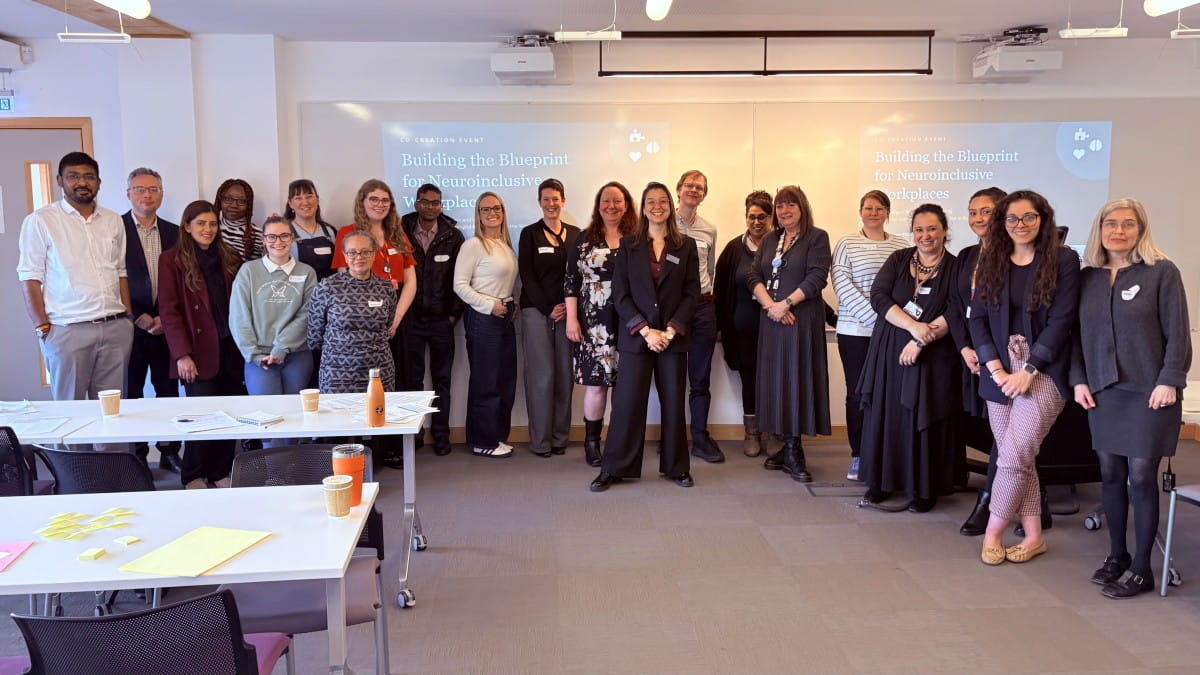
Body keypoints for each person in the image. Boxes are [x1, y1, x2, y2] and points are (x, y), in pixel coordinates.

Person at [1071, 198, 1191, 598]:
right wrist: (1078, 379)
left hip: (1149, 392)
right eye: (1111, 223)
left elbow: (1178, 332)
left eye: (1128, 224)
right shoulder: (1087, 278)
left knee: (1140, 478)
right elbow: (1075, 337)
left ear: (1140, 230)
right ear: (1099, 229)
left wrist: (1169, 379)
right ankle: (1117, 556)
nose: (1118, 231)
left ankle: (1143, 568)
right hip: (1102, 391)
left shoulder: (1162, 273)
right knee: (1110, 475)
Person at [970, 189, 1080, 566]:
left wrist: (1029, 370)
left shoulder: (1064, 260)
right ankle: (1034, 536)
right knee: (1022, 459)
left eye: (1028, 217)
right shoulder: (992, 259)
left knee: (1013, 457)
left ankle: (992, 533)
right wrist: (996, 367)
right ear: (1002, 223)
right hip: (999, 374)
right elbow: (978, 319)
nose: (1020, 225)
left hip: (1043, 372)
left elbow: (1062, 321)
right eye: (1012, 218)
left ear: (1042, 219)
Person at [591, 182, 700, 492]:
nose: (657, 206)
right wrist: (644, 330)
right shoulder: (628, 245)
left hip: (672, 338)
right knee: (626, 404)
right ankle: (613, 468)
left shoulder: (685, 246)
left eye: (663, 200)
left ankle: (678, 467)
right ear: (643, 206)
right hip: (638, 338)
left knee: (674, 405)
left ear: (671, 204)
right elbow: (621, 295)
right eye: (651, 201)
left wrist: (669, 330)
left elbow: (693, 294)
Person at [857, 204, 962, 513]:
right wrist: (913, 327)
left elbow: (956, 311)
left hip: (933, 354)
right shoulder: (899, 259)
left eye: (932, 229)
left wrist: (921, 338)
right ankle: (882, 482)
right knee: (887, 415)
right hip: (890, 349)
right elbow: (880, 296)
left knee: (923, 416)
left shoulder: (956, 267)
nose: (925, 235)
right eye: (919, 229)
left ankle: (923, 488)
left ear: (944, 230)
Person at [18, 151, 135, 403]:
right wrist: (42, 327)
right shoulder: (41, 221)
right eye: (73, 176)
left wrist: (128, 317)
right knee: (70, 411)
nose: (82, 182)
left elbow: (120, 271)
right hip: (67, 330)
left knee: (113, 411)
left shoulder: (113, 220)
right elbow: (29, 278)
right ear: (60, 180)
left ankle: (112, 446)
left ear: (99, 182)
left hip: (115, 328)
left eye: (89, 176)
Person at [748, 185, 832, 483]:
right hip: (772, 323)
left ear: (802, 207)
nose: (784, 211)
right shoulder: (771, 239)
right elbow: (753, 275)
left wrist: (785, 304)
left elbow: (817, 278)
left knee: (797, 381)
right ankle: (784, 447)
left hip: (800, 321)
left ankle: (795, 449)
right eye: (780, 206)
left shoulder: (816, 237)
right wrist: (771, 306)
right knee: (777, 384)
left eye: (790, 205)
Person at [158, 200, 244, 489]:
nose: (208, 229)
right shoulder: (171, 260)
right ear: (187, 226)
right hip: (196, 351)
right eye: (201, 223)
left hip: (230, 348)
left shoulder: (229, 256)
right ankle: (193, 474)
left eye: (212, 223)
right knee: (202, 417)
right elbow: (169, 311)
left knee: (229, 413)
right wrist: (182, 355)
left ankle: (219, 472)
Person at [831, 190, 908, 480]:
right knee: (858, 394)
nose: (873, 213)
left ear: (887, 212)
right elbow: (843, 285)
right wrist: (880, 321)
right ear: (860, 211)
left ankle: (887, 455)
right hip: (856, 332)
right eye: (868, 208)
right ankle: (859, 455)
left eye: (879, 208)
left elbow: (907, 288)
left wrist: (892, 324)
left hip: (894, 333)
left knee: (890, 394)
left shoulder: (902, 245)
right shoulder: (847, 243)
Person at [949, 187, 1009, 536]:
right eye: (972, 212)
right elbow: (956, 307)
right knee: (990, 430)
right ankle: (1035, 497)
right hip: (970, 354)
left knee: (1005, 434)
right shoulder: (967, 255)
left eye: (985, 211)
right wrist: (965, 348)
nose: (978, 219)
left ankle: (988, 502)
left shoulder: (1013, 256)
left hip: (1000, 359)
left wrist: (988, 356)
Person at [565, 181, 637, 467]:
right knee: (597, 385)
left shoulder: (637, 238)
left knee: (626, 385)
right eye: (606, 200)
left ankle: (619, 441)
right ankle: (592, 443)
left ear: (627, 205)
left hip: (630, 320)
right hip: (593, 323)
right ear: (598, 205)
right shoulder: (583, 239)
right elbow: (571, 282)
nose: (611, 206)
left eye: (618, 201)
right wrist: (572, 319)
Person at [121, 167, 183, 472]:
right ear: (128, 193)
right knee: (131, 393)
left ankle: (170, 450)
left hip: (166, 325)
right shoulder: (114, 229)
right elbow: (110, 279)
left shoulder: (174, 232)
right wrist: (136, 316)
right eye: (140, 189)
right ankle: (137, 454)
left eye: (154, 189)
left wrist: (163, 318)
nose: (147, 195)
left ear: (161, 193)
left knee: (168, 391)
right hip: (129, 326)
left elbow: (183, 279)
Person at [331, 179, 418, 391]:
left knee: (403, 374)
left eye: (385, 200)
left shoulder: (398, 235)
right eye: (374, 199)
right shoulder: (347, 233)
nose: (380, 204)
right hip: (364, 311)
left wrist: (396, 318)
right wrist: (376, 315)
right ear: (362, 202)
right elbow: (346, 279)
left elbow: (411, 281)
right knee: (369, 377)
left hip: (398, 309)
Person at [518, 178, 581, 458]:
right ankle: (541, 442)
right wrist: (549, 308)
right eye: (546, 199)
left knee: (565, 376)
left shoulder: (578, 234)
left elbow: (581, 275)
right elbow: (527, 276)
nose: (551, 204)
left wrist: (567, 307)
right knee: (541, 377)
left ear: (563, 201)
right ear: (539, 202)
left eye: (556, 198)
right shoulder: (529, 234)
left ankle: (559, 438)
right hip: (536, 313)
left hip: (569, 314)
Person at [453, 192, 519, 458]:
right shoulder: (473, 245)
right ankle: (483, 441)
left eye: (497, 208)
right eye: (485, 209)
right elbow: (459, 286)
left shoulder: (504, 244)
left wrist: (509, 304)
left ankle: (496, 436)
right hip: (483, 318)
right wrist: (489, 305)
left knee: (505, 380)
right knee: (486, 381)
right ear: (478, 214)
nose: (492, 213)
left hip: (503, 316)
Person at [401, 183, 465, 457]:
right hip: (411, 320)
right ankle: (414, 435)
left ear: (441, 206)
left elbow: (459, 279)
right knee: (412, 381)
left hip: (442, 320)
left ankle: (441, 435)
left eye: (435, 202)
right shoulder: (400, 232)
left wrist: (453, 315)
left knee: (442, 381)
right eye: (425, 202)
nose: (430, 206)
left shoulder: (453, 236)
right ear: (416, 203)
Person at [229, 216, 318, 399]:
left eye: (284, 236)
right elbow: (239, 317)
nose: (278, 242)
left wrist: (281, 348)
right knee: (267, 414)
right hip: (259, 357)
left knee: (296, 413)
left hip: (297, 355)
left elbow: (307, 315)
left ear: (292, 238)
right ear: (263, 240)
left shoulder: (307, 273)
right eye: (271, 236)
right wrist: (252, 353)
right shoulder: (248, 271)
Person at [714, 190, 775, 457]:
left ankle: (774, 432)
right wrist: (718, 325)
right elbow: (719, 288)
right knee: (749, 381)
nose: (757, 222)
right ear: (746, 217)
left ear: (771, 217)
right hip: (743, 331)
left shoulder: (783, 246)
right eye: (752, 217)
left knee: (775, 381)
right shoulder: (733, 249)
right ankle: (752, 432)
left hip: (776, 330)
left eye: (762, 216)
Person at [308, 231, 400, 393]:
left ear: (374, 254)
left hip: (379, 371)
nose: (359, 257)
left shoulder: (386, 288)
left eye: (365, 252)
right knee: (336, 418)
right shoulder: (327, 287)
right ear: (344, 255)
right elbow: (315, 336)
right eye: (352, 252)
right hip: (336, 373)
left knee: (377, 418)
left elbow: (387, 325)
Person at [675, 170, 723, 464]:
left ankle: (700, 436)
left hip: (703, 308)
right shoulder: (663, 224)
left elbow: (711, 270)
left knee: (700, 376)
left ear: (704, 194)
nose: (694, 190)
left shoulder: (710, 230)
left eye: (699, 187)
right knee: (671, 375)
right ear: (678, 189)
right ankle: (673, 436)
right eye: (689, 185)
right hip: (673, 309)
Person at [285, 179, 338, 279]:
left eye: (309, 196)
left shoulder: (330, 232)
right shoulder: (284, 232)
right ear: (290, 203)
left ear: (317, 200)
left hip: (328, 292)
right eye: (298, 198)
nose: (305, 202)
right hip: (299, 291)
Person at [214, 178, 262, 262]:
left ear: (249, 205)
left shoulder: (258, 235)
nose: (234, 205)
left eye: (242, 201)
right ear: (219, 201)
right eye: (228, 199)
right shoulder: (210, 230)